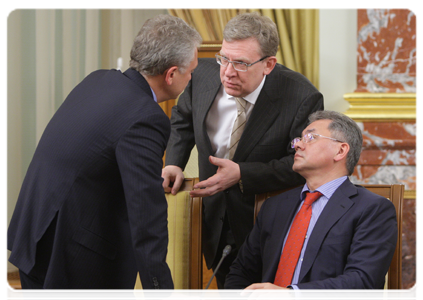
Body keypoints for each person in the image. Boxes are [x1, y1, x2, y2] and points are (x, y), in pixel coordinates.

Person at [5, 15, 202, 300]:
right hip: (73, 263)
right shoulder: (147, 117)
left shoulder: (99, 80)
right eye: (190, 71)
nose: (192, 78)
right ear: (171, 74)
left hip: (37, 238)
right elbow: (146, 211)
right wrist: (162, 292)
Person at [162, 12, 323, 296]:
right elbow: (183, 119)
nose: (228, 72)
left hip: (266, 225)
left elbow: (302, 165)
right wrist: (174, 162)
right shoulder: (201, 77)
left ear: (269, 64)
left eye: (241, 63)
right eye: (224, 58)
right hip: (212, 220)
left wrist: (242, 174)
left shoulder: (301, 97)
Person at [223, 110, 398, 300]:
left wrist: (291, 294)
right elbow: (241, 272)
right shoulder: (274, 206)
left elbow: (361, 281)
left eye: (310, 137)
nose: (297, 144)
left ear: (340, 151)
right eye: (298, 139)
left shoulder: (372, 209)